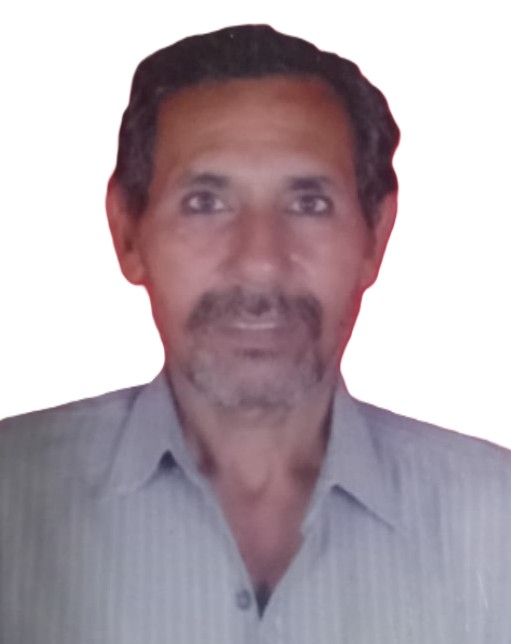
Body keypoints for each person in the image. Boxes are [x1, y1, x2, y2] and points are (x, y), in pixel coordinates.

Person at [0, 24, 510, 644]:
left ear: (375, 237)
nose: (261, 262)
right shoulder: (12, 498)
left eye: (309, 204)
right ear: (127, 231)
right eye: (205, 203)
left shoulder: (496, 520)